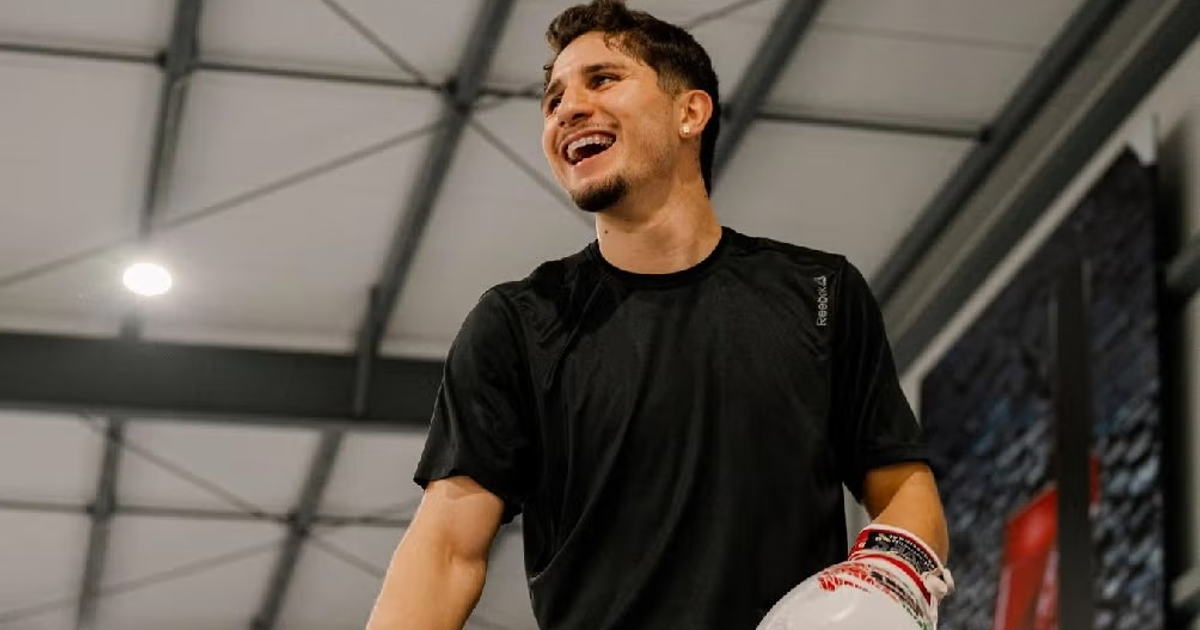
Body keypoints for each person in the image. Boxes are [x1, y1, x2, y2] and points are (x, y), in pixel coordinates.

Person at [365, 1, 952, 629]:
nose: (566, 108)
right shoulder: (517, 324)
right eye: (553, 99)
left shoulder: (820, 292)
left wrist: (884, 589)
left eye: (602, 79)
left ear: (690, 113)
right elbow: (446, 551)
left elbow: (901, 484)